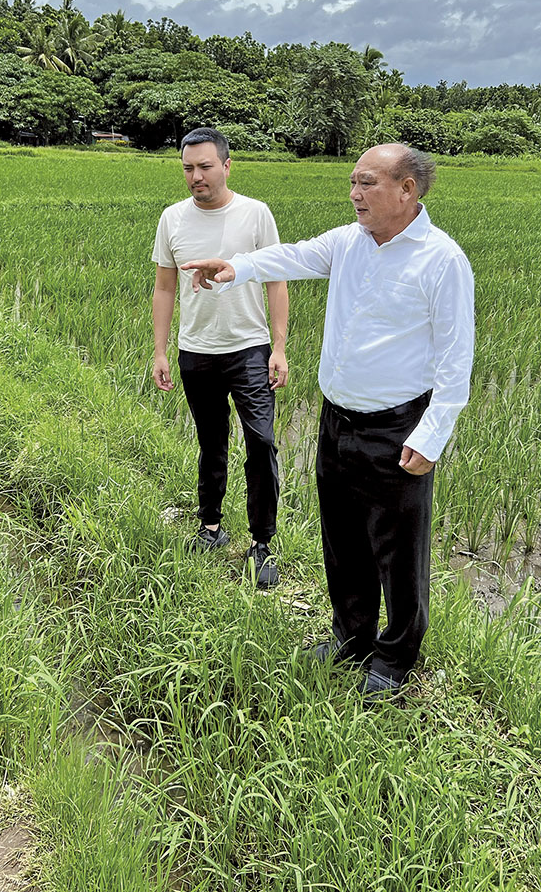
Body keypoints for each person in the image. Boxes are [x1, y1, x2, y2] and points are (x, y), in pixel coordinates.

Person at [182, 144, 474, 701]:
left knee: (398, 550)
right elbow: (291, 256)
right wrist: (235, 267)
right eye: (352, 182)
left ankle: (394, 658)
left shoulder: (441, 259)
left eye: (366, 183)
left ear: (407, 189)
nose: (354, 194)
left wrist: (433, 434)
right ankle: (352, 636)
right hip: (337, 419)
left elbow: (456, 360)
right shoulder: (348, 243)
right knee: (342, 539)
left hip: (397, 428)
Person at [152, 127, 289, 588]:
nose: (196, 177)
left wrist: (280, 347)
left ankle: (261, 543)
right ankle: (210, 527)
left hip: (249, 349)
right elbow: (164, 286)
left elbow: (276, 280)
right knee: (210, 442)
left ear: (227, 166)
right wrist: (160, 350)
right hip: (196, 351)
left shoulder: (255, 214)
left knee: (261, 444)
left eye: (205, 167)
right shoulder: (172, 218)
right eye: (188, 168)